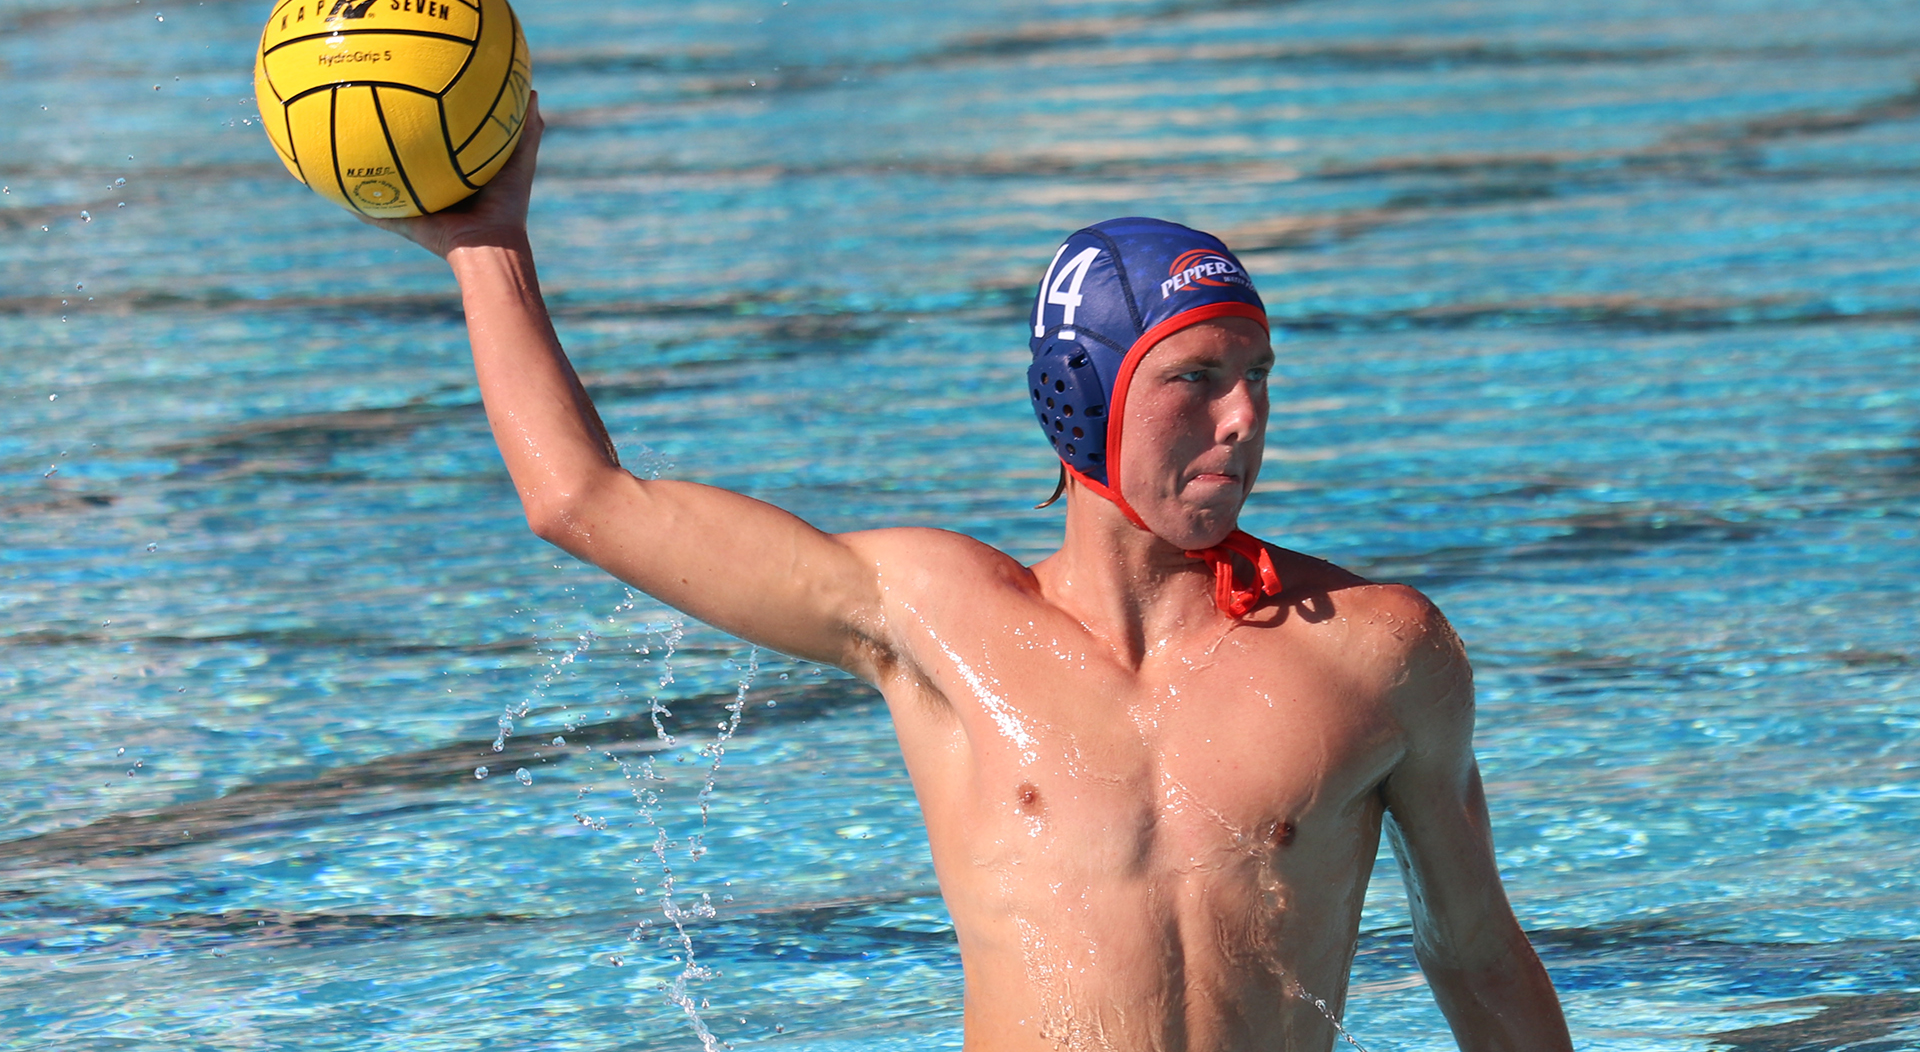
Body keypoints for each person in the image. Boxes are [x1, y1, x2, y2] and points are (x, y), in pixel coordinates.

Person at [365, 95, 1574, 1051]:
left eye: (1261, 375)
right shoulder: (934, 617)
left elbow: (1472, 951)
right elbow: (587, 503)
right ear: (1085, 397)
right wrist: (488, 248)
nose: (1245, 416)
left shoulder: (1372, 650)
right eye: (1196, 377)